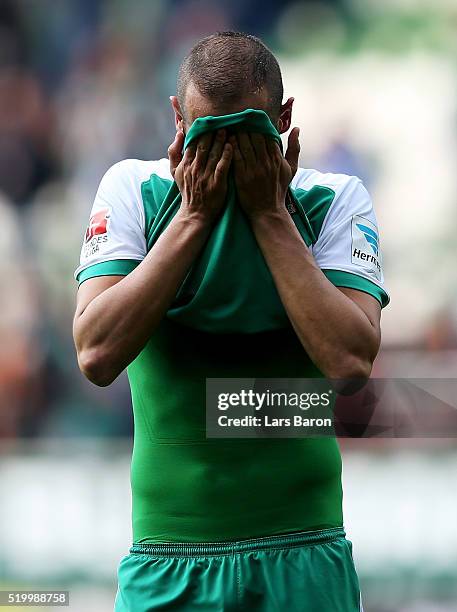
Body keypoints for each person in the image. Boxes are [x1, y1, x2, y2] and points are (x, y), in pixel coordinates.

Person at [73, 31, 388, 612]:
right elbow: (95, 355)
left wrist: (269, 214)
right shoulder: (133, 190)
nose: (225, 156)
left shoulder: (334, 198)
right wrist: (193, 218)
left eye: (246, 136)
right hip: (169, 558)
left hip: (305, 552)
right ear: (177, 121)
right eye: (208, 136)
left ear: (284, 119)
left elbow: (349, 364)